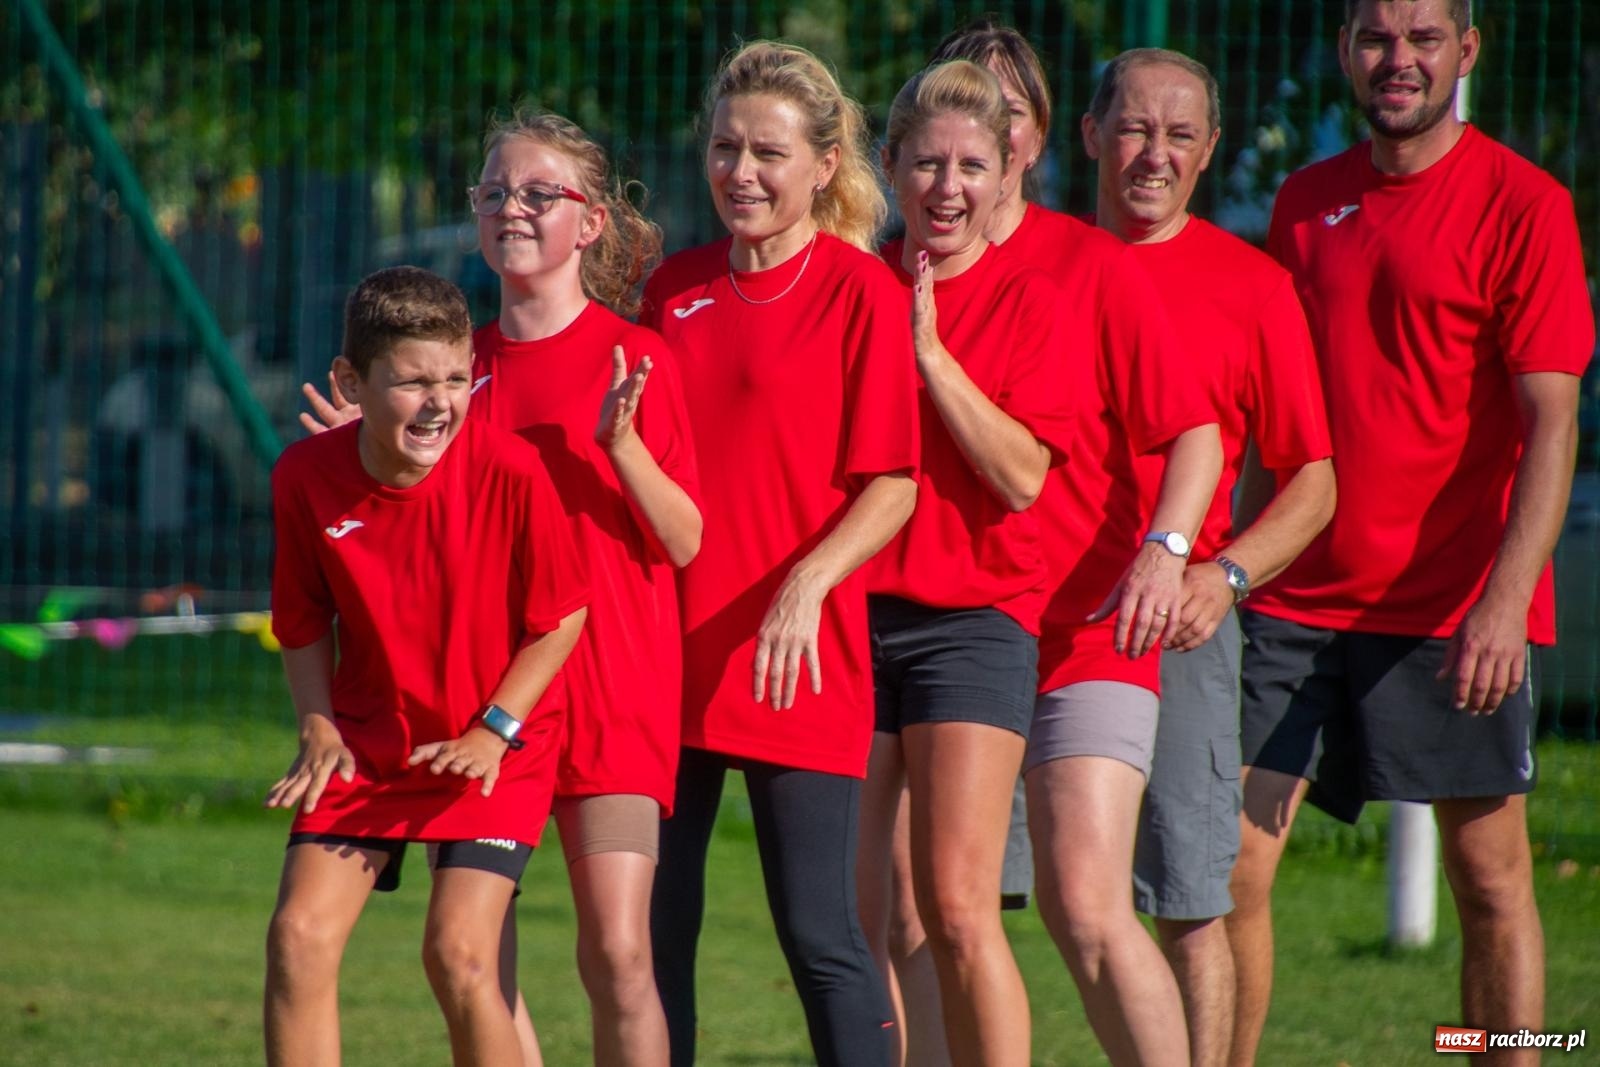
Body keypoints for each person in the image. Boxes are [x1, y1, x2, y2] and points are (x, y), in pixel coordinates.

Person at [1227, 3, 1594, 1065]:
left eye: (1423, 38)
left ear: (1464, 52)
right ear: (1346, 50)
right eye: (1378, 38)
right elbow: (1274, 413)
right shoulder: (1302, 203)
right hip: (1296, 600)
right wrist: (1234, 565)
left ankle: (1504, 1054)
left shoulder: (1525, 203)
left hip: (1451, 606)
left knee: (1488, 882)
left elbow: (1550, 419)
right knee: (1231, 871)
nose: (1400, 60)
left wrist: (1501, 601)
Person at [301, 109, 701, 1067]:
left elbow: (685, 540)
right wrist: (355, 451)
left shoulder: (636, 357)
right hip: (481, 702)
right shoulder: (448, 369)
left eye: (536, 193)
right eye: (493, 192)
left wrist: (624, 446)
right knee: (472, 961)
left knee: (617, 951)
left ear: (590, 222)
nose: (510, 209)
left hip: (611, 690)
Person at [640, 40, 920, 1067]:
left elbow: (894, 481)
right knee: (649, 933)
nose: (740, 172)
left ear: (822, 162)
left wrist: (808, 580)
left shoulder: (859, 291)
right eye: (724, 147)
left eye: (766, 150)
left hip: (794, 654)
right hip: (664, 654)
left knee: (821, 936)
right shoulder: (671, 290)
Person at [263, 265, 589, 1066]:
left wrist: (494, 729)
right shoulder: (305, 478)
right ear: (351, 381)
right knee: (297, 938)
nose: (441, 400)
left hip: (495, 745)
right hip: (371, 745)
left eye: (457, 377)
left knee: (458, 955)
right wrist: (318, 725)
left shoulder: (510, 471)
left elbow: (562, 616)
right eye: (412, 381)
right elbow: (303, 622)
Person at [1080, 48, 1336, 1067]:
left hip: (1179, 624)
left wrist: (1221, 575)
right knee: (967, 894)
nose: (1153, 154)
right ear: (1092, 134)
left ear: (1209, 151)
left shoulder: (1252, 286)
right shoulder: (1044, 258)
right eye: (1135, 129)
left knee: (1193, 896)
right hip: (1030, 617)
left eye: (1179, 135)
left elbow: (1311, 480)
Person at [856, 60, 1078, 1067]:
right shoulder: (853, 282)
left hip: (974, 619)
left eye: (971, 165)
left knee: (955, 901)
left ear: (1004, 173)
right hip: (854, 617)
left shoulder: (1033, 298)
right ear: (889, 166)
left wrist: (932, 355)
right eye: (927, 163)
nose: (947, 186)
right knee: (868, 912)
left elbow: (1024, 475)